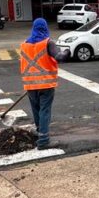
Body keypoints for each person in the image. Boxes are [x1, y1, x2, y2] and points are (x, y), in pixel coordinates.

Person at [19, 18, 69, 149]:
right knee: (44, 111)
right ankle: (44, 141)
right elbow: (60, 57)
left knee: (36, 110)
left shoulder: (24, 44)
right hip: (45, 84)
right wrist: (66, 52)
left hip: (30, 85)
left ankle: (40, 131)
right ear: (45, 28)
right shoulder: (48, 43)